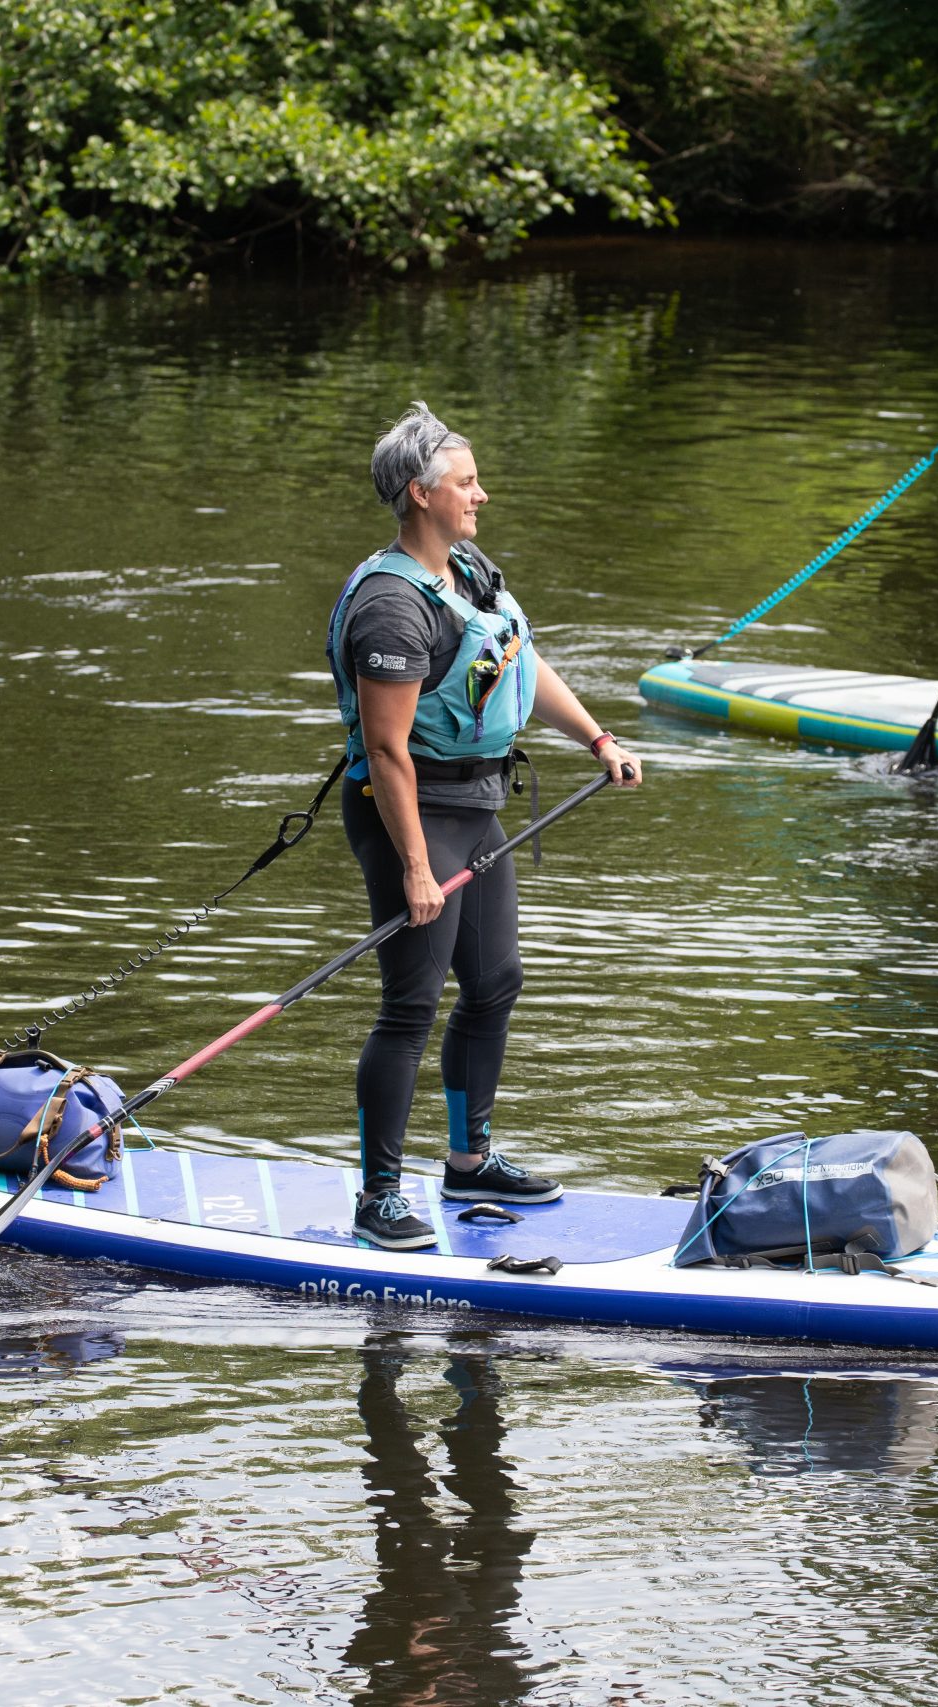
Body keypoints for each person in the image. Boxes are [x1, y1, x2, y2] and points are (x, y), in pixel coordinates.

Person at [325, 401, 643, 1251]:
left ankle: (468, 1160)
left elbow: (517, 661)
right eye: (467, 482)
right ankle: (379, 1196)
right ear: (422, 493)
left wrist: (597, 738)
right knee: (411, 1004)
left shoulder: (468, 569)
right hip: (410, 816)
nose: (482, 495)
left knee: (496, 981)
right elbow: (388, 752)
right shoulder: (391, 608)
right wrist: (417, 868)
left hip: (478, 806)